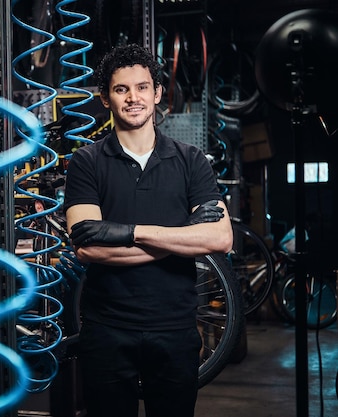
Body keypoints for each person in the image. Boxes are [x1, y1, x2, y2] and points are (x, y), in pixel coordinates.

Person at [63, 44, 233, 417]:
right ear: (106, 98)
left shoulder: (191, 161)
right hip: (107, 330)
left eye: (142, 88)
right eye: (121, 89)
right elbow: (87, 245)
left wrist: (129, 232)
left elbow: (219, 238)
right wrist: (181, 237)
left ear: (157, 94)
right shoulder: (86, 162)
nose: (133, 98)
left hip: (174, 329)